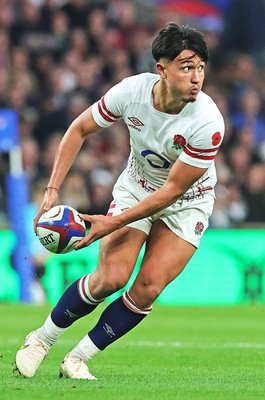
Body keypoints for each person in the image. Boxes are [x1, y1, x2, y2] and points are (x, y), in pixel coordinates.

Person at [14, 23, 225, 380]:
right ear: (162, 68)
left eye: (201, 67)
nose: (196, 77)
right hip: (138, 187)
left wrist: (110, 222)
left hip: (189, 200)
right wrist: (52, 189)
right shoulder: (132, 92)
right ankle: (41, 340)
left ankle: (78, 358)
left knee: (147, 288)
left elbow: (172, 192)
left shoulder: (208, 122)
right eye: (186, 66)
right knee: (110, 279)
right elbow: (79, 128)